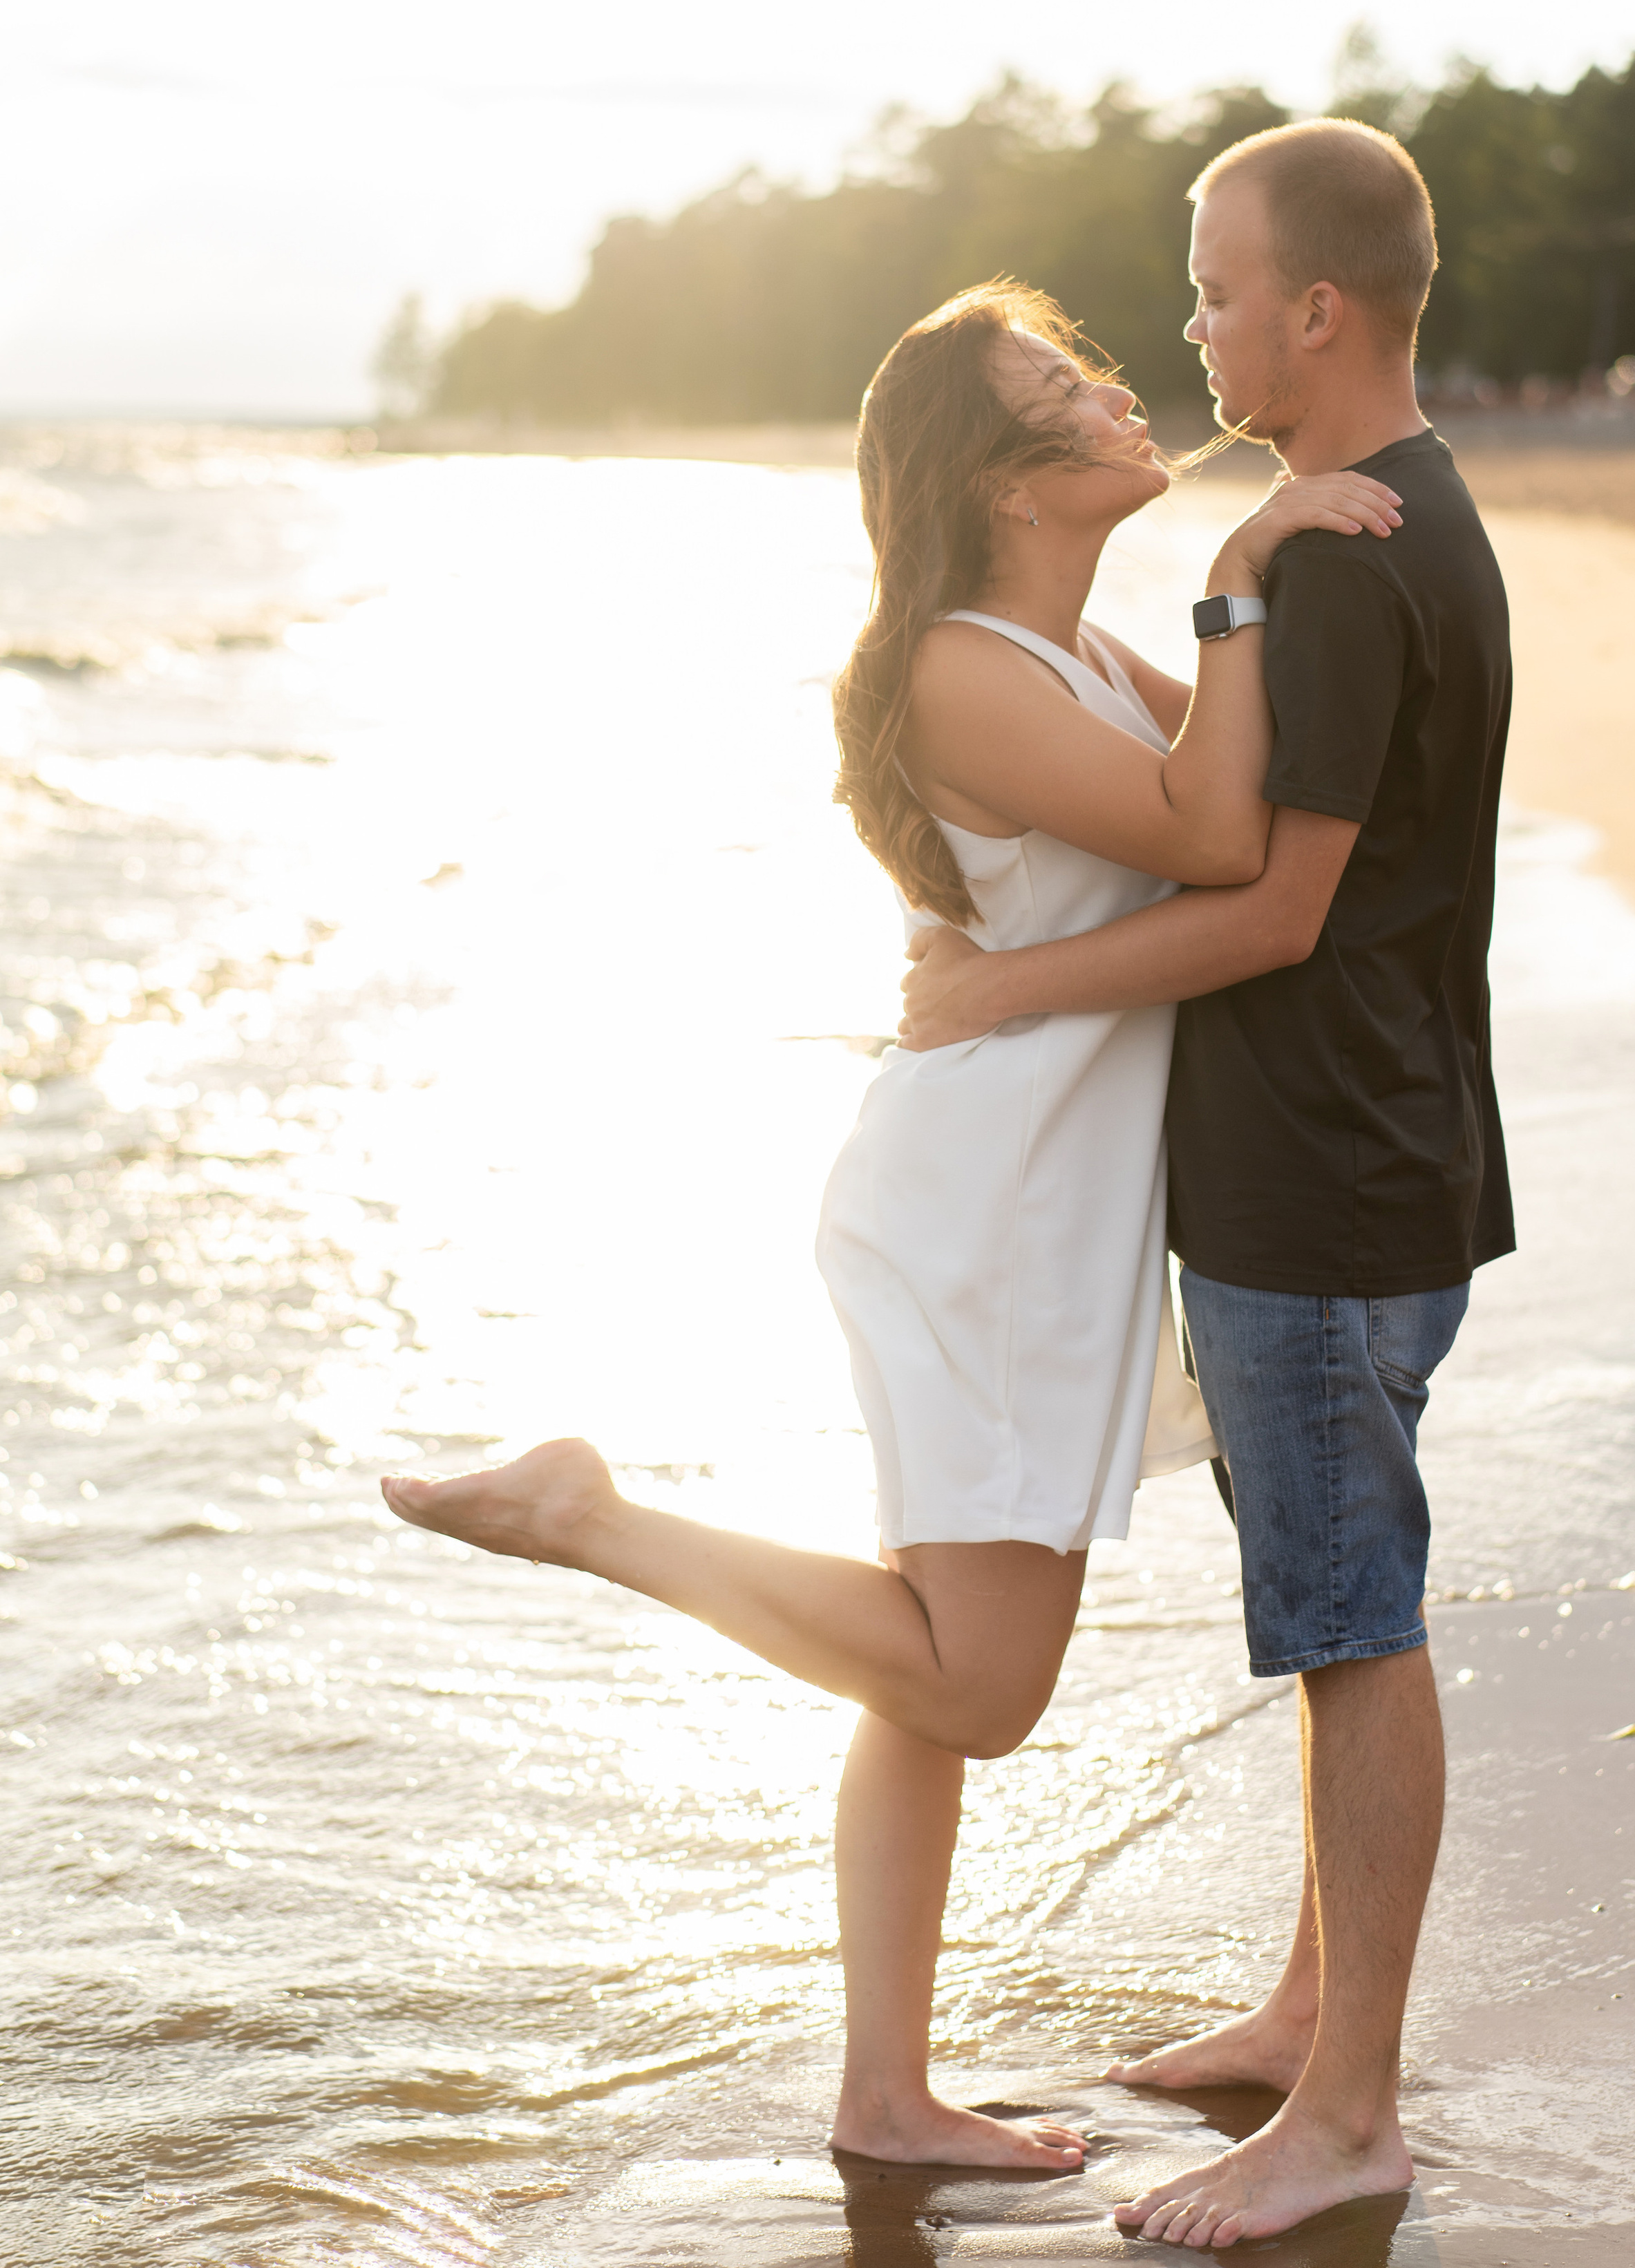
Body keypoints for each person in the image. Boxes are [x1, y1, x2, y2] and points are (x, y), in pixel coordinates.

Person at [381, 277, 1399, 2176]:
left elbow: (1250, 791)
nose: (1112, 396)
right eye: (1060, 387)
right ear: (996, 477)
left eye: (1093, 369)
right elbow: (1213, 837)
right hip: (990, 1218)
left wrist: (1258, 606)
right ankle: (594, 1516)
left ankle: (881, 2090)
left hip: (1013, 1200)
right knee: (978, 1683)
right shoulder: (960, 666)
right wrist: (1250, 559)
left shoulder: (1063, 649)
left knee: (915, 1656)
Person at [898, 122, 1514, 2250]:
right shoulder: (1386, 519)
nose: (1188, 326)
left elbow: (1265, 906)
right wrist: (1236, 576)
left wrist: (1003, 994)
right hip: (1379, 1150)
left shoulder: (1339, 556)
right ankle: (1310, 2009)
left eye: (1213, 288)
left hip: (1326, 1176)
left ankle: (1345, 2113)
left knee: (1353, 1624)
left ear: (1313, 311)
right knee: (1348, 1597)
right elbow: (1198, 775)